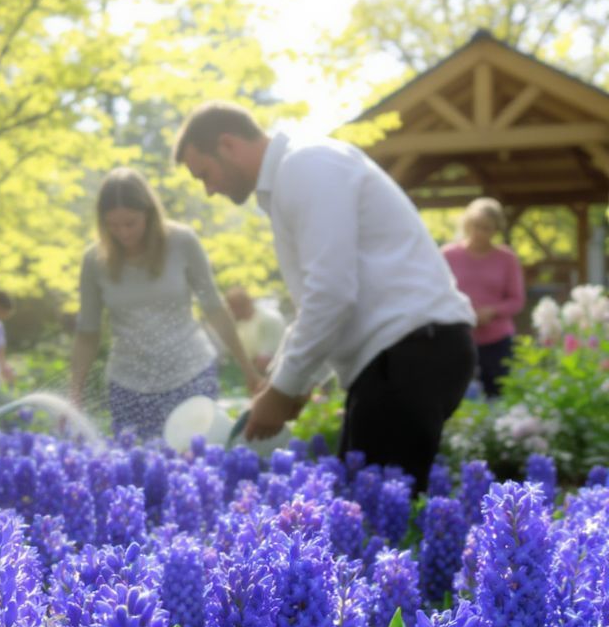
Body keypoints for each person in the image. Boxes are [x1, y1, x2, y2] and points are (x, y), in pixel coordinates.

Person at [174, 102, 476, 492]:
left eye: (205, 174)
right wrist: (290, 383)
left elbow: (332, 294)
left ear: (227, 144)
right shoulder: (295, 174)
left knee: (374, 521)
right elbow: (318, 307)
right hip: (401, 355)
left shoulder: (307, 165)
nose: (209, 190)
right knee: (359, 501)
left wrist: (284, 391)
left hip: (409, 352)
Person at [71, 166, 264, 439]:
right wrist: (75, 391)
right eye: (113, 225)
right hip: (128, 383)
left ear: (148, 214)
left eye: (130, 223)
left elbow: (214, 307)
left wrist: (248, 369)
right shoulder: (94, 260)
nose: (123, 233)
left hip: (190, 373)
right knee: (137, 472)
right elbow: (87, 332)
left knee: (198, 464)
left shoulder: (181, 241)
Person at [442, 197, 525, 398]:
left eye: (486, 228)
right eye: (476, 226)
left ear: (496, 229)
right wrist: (464, 313)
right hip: (458, 336)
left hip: (497, 339)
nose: (479, 233)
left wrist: (492, 312)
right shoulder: (448, 255)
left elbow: (517, 300)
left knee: (499, 396)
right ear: (467, 224)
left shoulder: (507, 258)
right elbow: (439, 294)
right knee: (455, 396)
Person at [225, 286, 287, 373]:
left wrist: (252, 375)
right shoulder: (241, 324)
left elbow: (264, 361)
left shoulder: (268, 318)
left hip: (279, 369)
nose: (230, 311)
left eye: (231, 307)